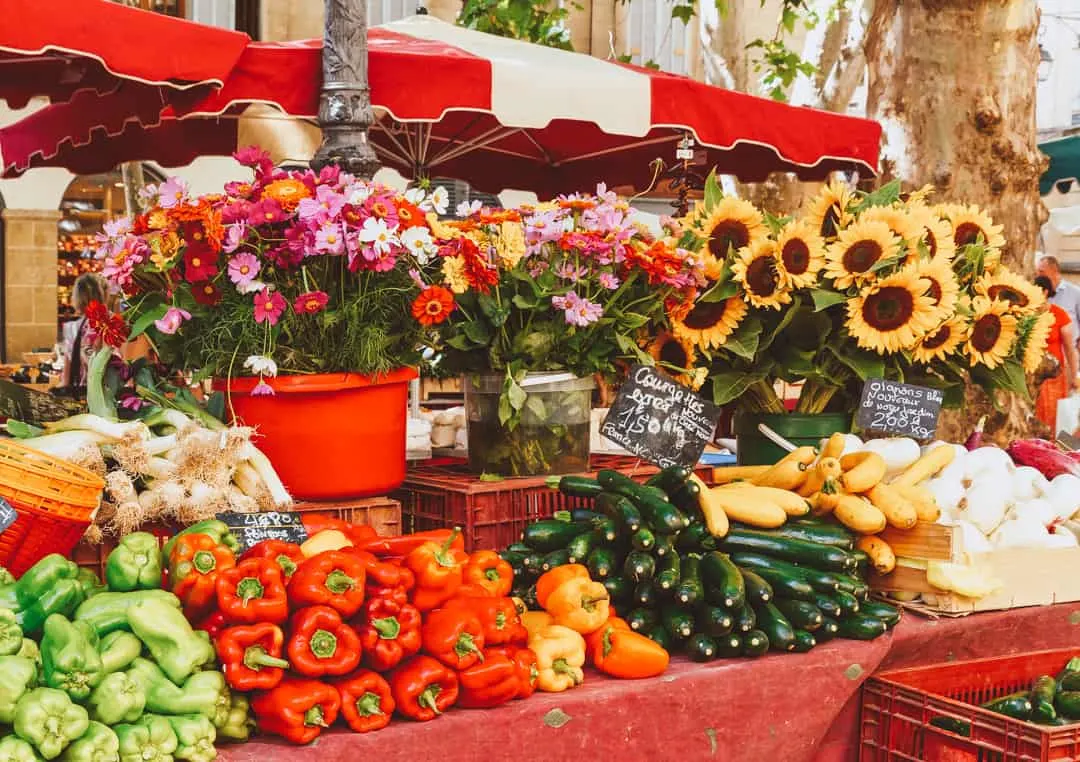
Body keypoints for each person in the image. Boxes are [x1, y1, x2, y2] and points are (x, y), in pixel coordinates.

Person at [1034, 275, 1079, 432]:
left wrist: (1075, 375)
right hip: (1033, 375)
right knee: (1036, 416)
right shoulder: (1029, 314)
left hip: (1055, 376)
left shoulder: (1059, 315)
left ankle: (1061, 450)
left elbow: (1069, 348)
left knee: (1059, 416)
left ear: (1045, 292)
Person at [58, 273, 110, 393]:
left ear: (76, 298)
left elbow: (66, 380)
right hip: (110, 395)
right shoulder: (113, 324)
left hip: (84, 396)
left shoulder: (72, 329)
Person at [1036, 255, 1080, 341]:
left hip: (1069, 351)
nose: (1038, 275)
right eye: (1037, 272)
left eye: (1041, 272)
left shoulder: (1076, 293)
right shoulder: (1036, 293)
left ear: (1054, 271)